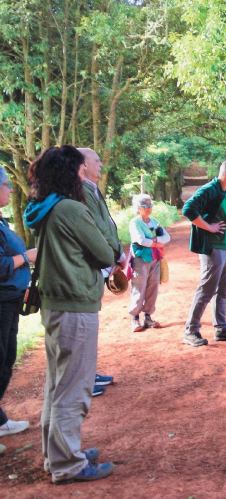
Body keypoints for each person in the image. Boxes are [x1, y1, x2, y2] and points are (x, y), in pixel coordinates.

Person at [24, 145, 117, 483]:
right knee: (73, 388)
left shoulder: (44, 207)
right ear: (70, 172)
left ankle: (58, 454)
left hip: (54, 304)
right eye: (81, 168)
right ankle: (68, 464)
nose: (85, 173)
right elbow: (106, 252)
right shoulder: (71, 210)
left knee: (57, 385)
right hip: (74, 303)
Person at [181, 160, 226, 346]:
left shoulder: (225, 192)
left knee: (223, 290)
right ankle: (191, 330)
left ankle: (222, 327)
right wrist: (208, 226)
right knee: (206, 289)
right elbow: (188, 209)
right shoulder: (210, 189)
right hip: (214, 248)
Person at [76, 148, 121, 396]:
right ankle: (83, 379)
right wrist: (115, 254)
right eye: (96, 160)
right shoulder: (82, 190)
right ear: (83, 164)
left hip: (100, 260)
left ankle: (88, 373)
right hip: (90, 266)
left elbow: (106, 224)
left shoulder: (91, 187)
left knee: (89, 325)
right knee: (82, 327)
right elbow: (97, 227)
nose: (101, 164)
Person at [0, 168, 36, 442]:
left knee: (6, 360)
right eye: (7, 185)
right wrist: (27, 256)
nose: (11, 190)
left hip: (9, 301)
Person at [127, 194, 170, 332]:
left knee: (153, 288)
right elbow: (140, 240)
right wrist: (157, 242)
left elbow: (167, 237)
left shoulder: (154, 221)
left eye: (150, 205)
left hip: (155, 259)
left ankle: (148, 317)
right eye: (146, 206)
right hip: (140, 259)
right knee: (139, 287)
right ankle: (135, 318)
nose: (149, 208)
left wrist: (152, 242)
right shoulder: (135, 222)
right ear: (139, 208)